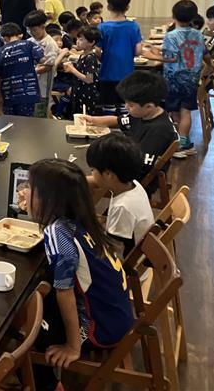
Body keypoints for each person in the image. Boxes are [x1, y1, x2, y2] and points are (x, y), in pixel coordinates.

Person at [19, 160, 133, 385]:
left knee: (27, 331)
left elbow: (65, 293)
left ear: (49, 200)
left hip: (100, 327)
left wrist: (73, 346)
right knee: (35, 301)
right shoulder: (81, 219)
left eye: (31, 188)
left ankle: (49, 386)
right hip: (117, 313)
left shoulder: (57, 232)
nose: (24, 192)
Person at [83, 71, 178, 196]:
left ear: (149, 106)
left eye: (131, 105)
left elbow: (140, 169)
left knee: (78, 180)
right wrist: (92, 120)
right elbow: (118, 121)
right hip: (127, 164)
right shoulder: (141, 114)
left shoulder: (160, 131)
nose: (126, 107)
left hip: (133, 181)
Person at [145, 0, 210, 157]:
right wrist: (209, 66)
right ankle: (185, 142)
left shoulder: (172, 35)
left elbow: (172, 58)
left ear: (173, 16)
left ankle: (178, 144)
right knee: (186, 111)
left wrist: (151, 55)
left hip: (174, 78)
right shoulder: (198, 34)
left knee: (174, 111)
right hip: (191, 78)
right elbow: (204, 54)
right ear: (193, 17)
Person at [86, 133, 154, 256]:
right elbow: (94, 180)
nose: (92, 173)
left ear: (108, 174)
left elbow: (113, 251)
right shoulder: (132, 184)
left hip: (127, 262)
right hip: (138, 247)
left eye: (93, 170)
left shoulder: (123, 207)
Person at [96, 0, 142, 110]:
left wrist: (103, 58)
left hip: (107, 73)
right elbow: (138, 51)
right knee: (125, 107)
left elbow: (97, 51)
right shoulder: (133, 26)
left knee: (108, 107)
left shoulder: (102, 27)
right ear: (127, 7)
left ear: (108, 7)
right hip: (127, 74)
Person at [0, 22, 43, 117]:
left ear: (5, 38)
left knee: (11, 122)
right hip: (29, 93)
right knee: (27, 122)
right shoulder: (29, 44)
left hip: (9, 95)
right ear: (19, 34)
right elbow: (42, 59)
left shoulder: (1, 51)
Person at [24, 10, 59, 118]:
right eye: (29, 30)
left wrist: (32, 71)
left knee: (40, 114)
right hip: (29, 84)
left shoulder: (50, 44)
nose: (32, 33)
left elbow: (48, 66)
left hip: (42, 86)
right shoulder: (29, 41)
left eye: (34, 30)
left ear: (43, 27)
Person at [62, 26, 102, 116]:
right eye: (77, 39)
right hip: (79, 90)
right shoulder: (83, 54)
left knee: (83, 117)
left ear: (91, 42)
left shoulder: (90, 58)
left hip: (86, 94)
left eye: (81, 39)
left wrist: (72, 69)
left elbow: (89, 79)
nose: (77, 42)